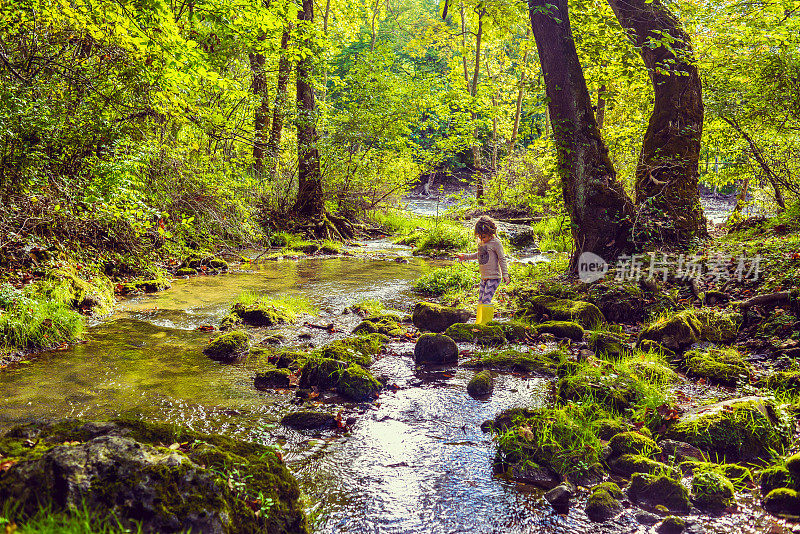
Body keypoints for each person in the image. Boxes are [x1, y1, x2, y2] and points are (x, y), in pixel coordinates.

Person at [457, 215, 509, 324]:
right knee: (480, 300)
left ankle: (486, 323)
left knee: (486, 300)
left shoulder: (496, 243)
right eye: (479, 237)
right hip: (484, 277)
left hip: (494, 277)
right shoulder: (482, 242)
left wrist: (505, 274)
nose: (481, 239)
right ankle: (479, 322)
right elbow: (478, 254)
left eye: (484, 236)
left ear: (491, 233)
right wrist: (465, 256)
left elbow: (502, 258)